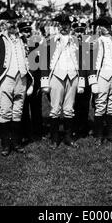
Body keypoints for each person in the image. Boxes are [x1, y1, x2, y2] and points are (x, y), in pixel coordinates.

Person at [0, 9, 33, 156]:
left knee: (17, 112)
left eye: (14, 22)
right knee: (5, 112)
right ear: (4, 24)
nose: (12, 25)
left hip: (21, 78)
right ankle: (6, 145)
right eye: (9, 22)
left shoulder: (22, 39)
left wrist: (29, 81)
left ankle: (17, 143)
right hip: (5, 79)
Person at [40, 14, 85, 149]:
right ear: (58, 26)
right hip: (56, 76)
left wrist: (81, 80)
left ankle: (68, 137)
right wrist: (44, 81)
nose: (64, 27)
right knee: (55, 109)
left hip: (72, 76)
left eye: (67, 25)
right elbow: (44, 61)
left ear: (70, 26)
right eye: (62, 25)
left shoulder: (77, 41)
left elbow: (82, 61)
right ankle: (54, 139)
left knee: (69, 108)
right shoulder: (50, 41)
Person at [89, 15, 112, 145]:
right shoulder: (96, 41)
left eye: (109, 26)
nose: (107, 28)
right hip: (102, 76)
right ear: (99, 27)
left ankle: (110, 134)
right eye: (104, 26)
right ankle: (99, 135)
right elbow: (91, 62)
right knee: (100, 105)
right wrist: (93, 80)